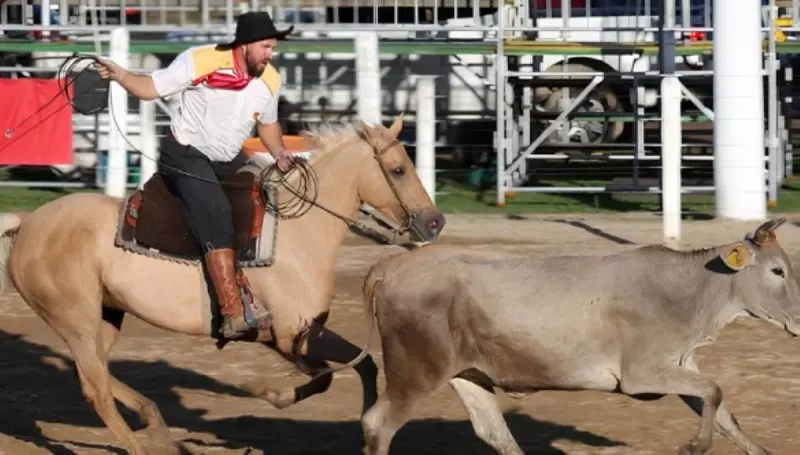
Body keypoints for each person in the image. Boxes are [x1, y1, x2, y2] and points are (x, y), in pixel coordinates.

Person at [95, 11, 295, 340]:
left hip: (227, 157)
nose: (271, 54)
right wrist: (121, 76)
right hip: (184, 152)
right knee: (215, 212)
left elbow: (268, 124)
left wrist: (280, 153)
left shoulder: (270, 78)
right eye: (266, 47)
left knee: (265, 194)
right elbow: (150, 89)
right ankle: (232, 311)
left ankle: (257, 281)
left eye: (273, 48)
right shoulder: (201, 59)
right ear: (244, 46)